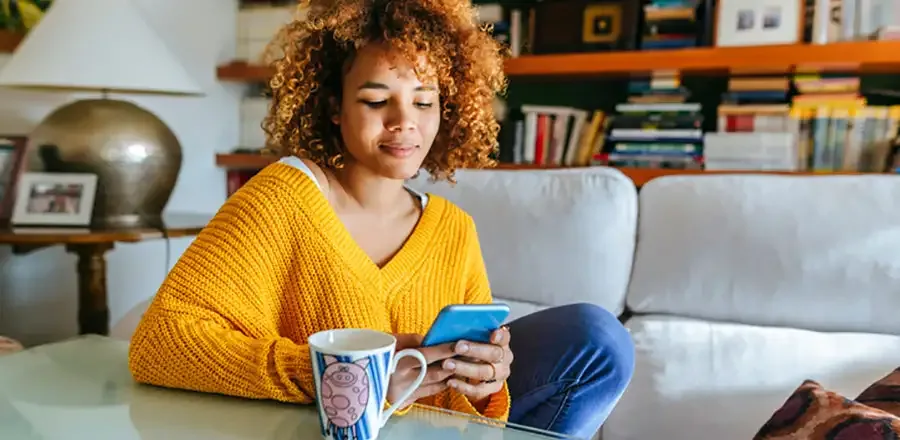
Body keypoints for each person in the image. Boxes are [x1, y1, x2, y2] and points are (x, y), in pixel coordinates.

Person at [127, 0, 635, 438]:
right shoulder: (283, 197)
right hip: (324, 430)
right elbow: (159, 343)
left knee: (597, 338)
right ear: (334, 106)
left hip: (430, 431)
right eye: (376, 101)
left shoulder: (454, 229)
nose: (404, 122)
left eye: (424, 101)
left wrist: (488, 380)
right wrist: (344, 379)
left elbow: (475, 409)